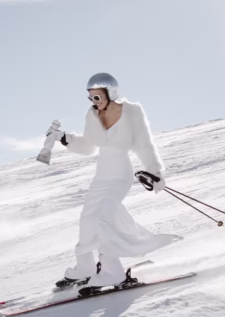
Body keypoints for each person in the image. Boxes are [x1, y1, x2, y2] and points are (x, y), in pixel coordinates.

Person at [53, 73, 181, 291]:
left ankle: (113, 273)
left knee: (102, 217)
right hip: (101, 174)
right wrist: (66, 139)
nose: (94, 101)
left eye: (97, 96)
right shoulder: (92, 114)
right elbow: (89, 147)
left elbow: (144, 143)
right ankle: (85, 268)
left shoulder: (131, 112)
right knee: (87, 219)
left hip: (120, 174)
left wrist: (155, 171)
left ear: (111, 93)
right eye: (90, 97)